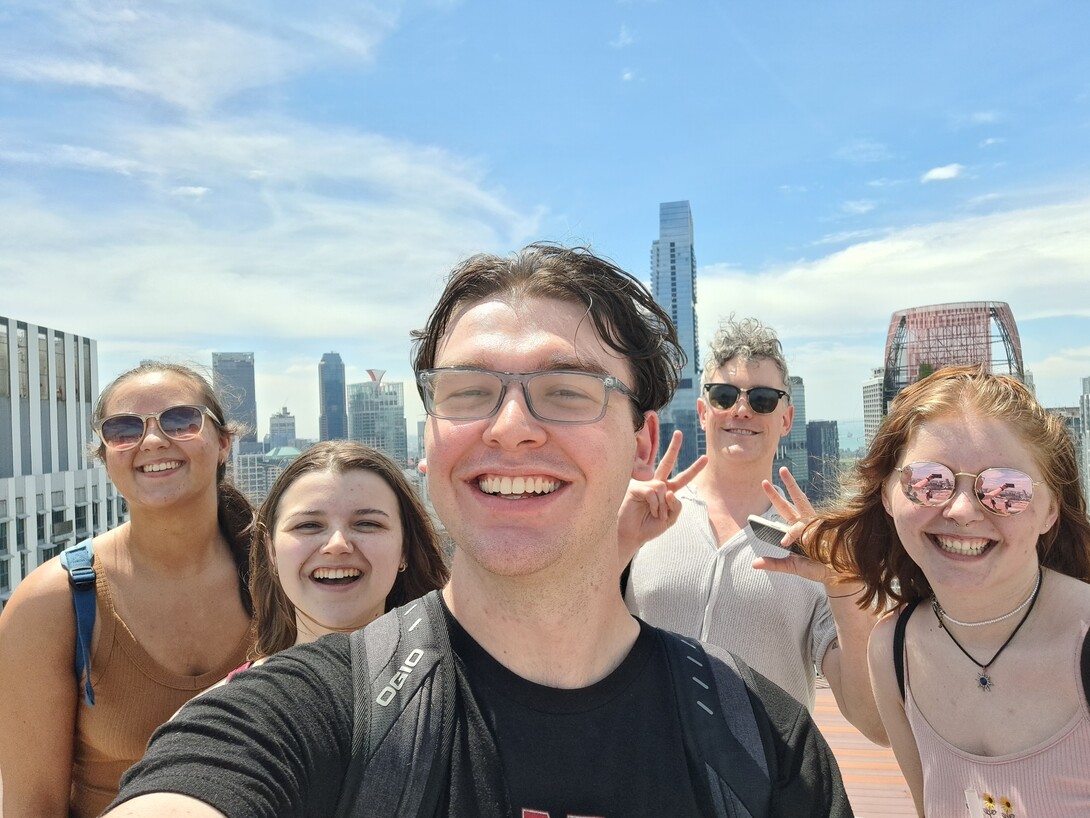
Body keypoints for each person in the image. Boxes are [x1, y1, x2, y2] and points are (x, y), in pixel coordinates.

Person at [103, 244, 850, 818]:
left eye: (568, 391)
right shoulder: (300, 719)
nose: (513, 428)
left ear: (644, 444)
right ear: (426, 444)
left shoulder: (765, 740)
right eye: (468, 392)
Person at [806, 365, 1090, 816]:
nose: (961, 510)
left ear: (1050, 509)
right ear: (886, 494)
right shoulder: (893, 650)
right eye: (928, 482)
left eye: (1004, 489)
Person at [0, 362, 255, 818]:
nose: (153, 441)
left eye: (181, 420)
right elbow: (32, 807)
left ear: (223, 444)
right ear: (105, 456)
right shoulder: (52, 603)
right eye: (123, 429)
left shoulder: (283, 576)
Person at [625, 317, 886, 743]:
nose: (742, 409)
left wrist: (844, 584)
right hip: (643, 776)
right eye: (725, 395)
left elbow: (874, 723)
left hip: (766, 793)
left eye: (763, 398)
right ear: (703, 410)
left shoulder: (816, 550)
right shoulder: (645, 515)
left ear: (787, 419)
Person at [245, 439, 449, 659]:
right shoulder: (234, 694)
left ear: (405, 549)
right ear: (271, 550)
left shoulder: (469, 687)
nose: (337, 544)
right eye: (308, 525)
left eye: (367, 524)